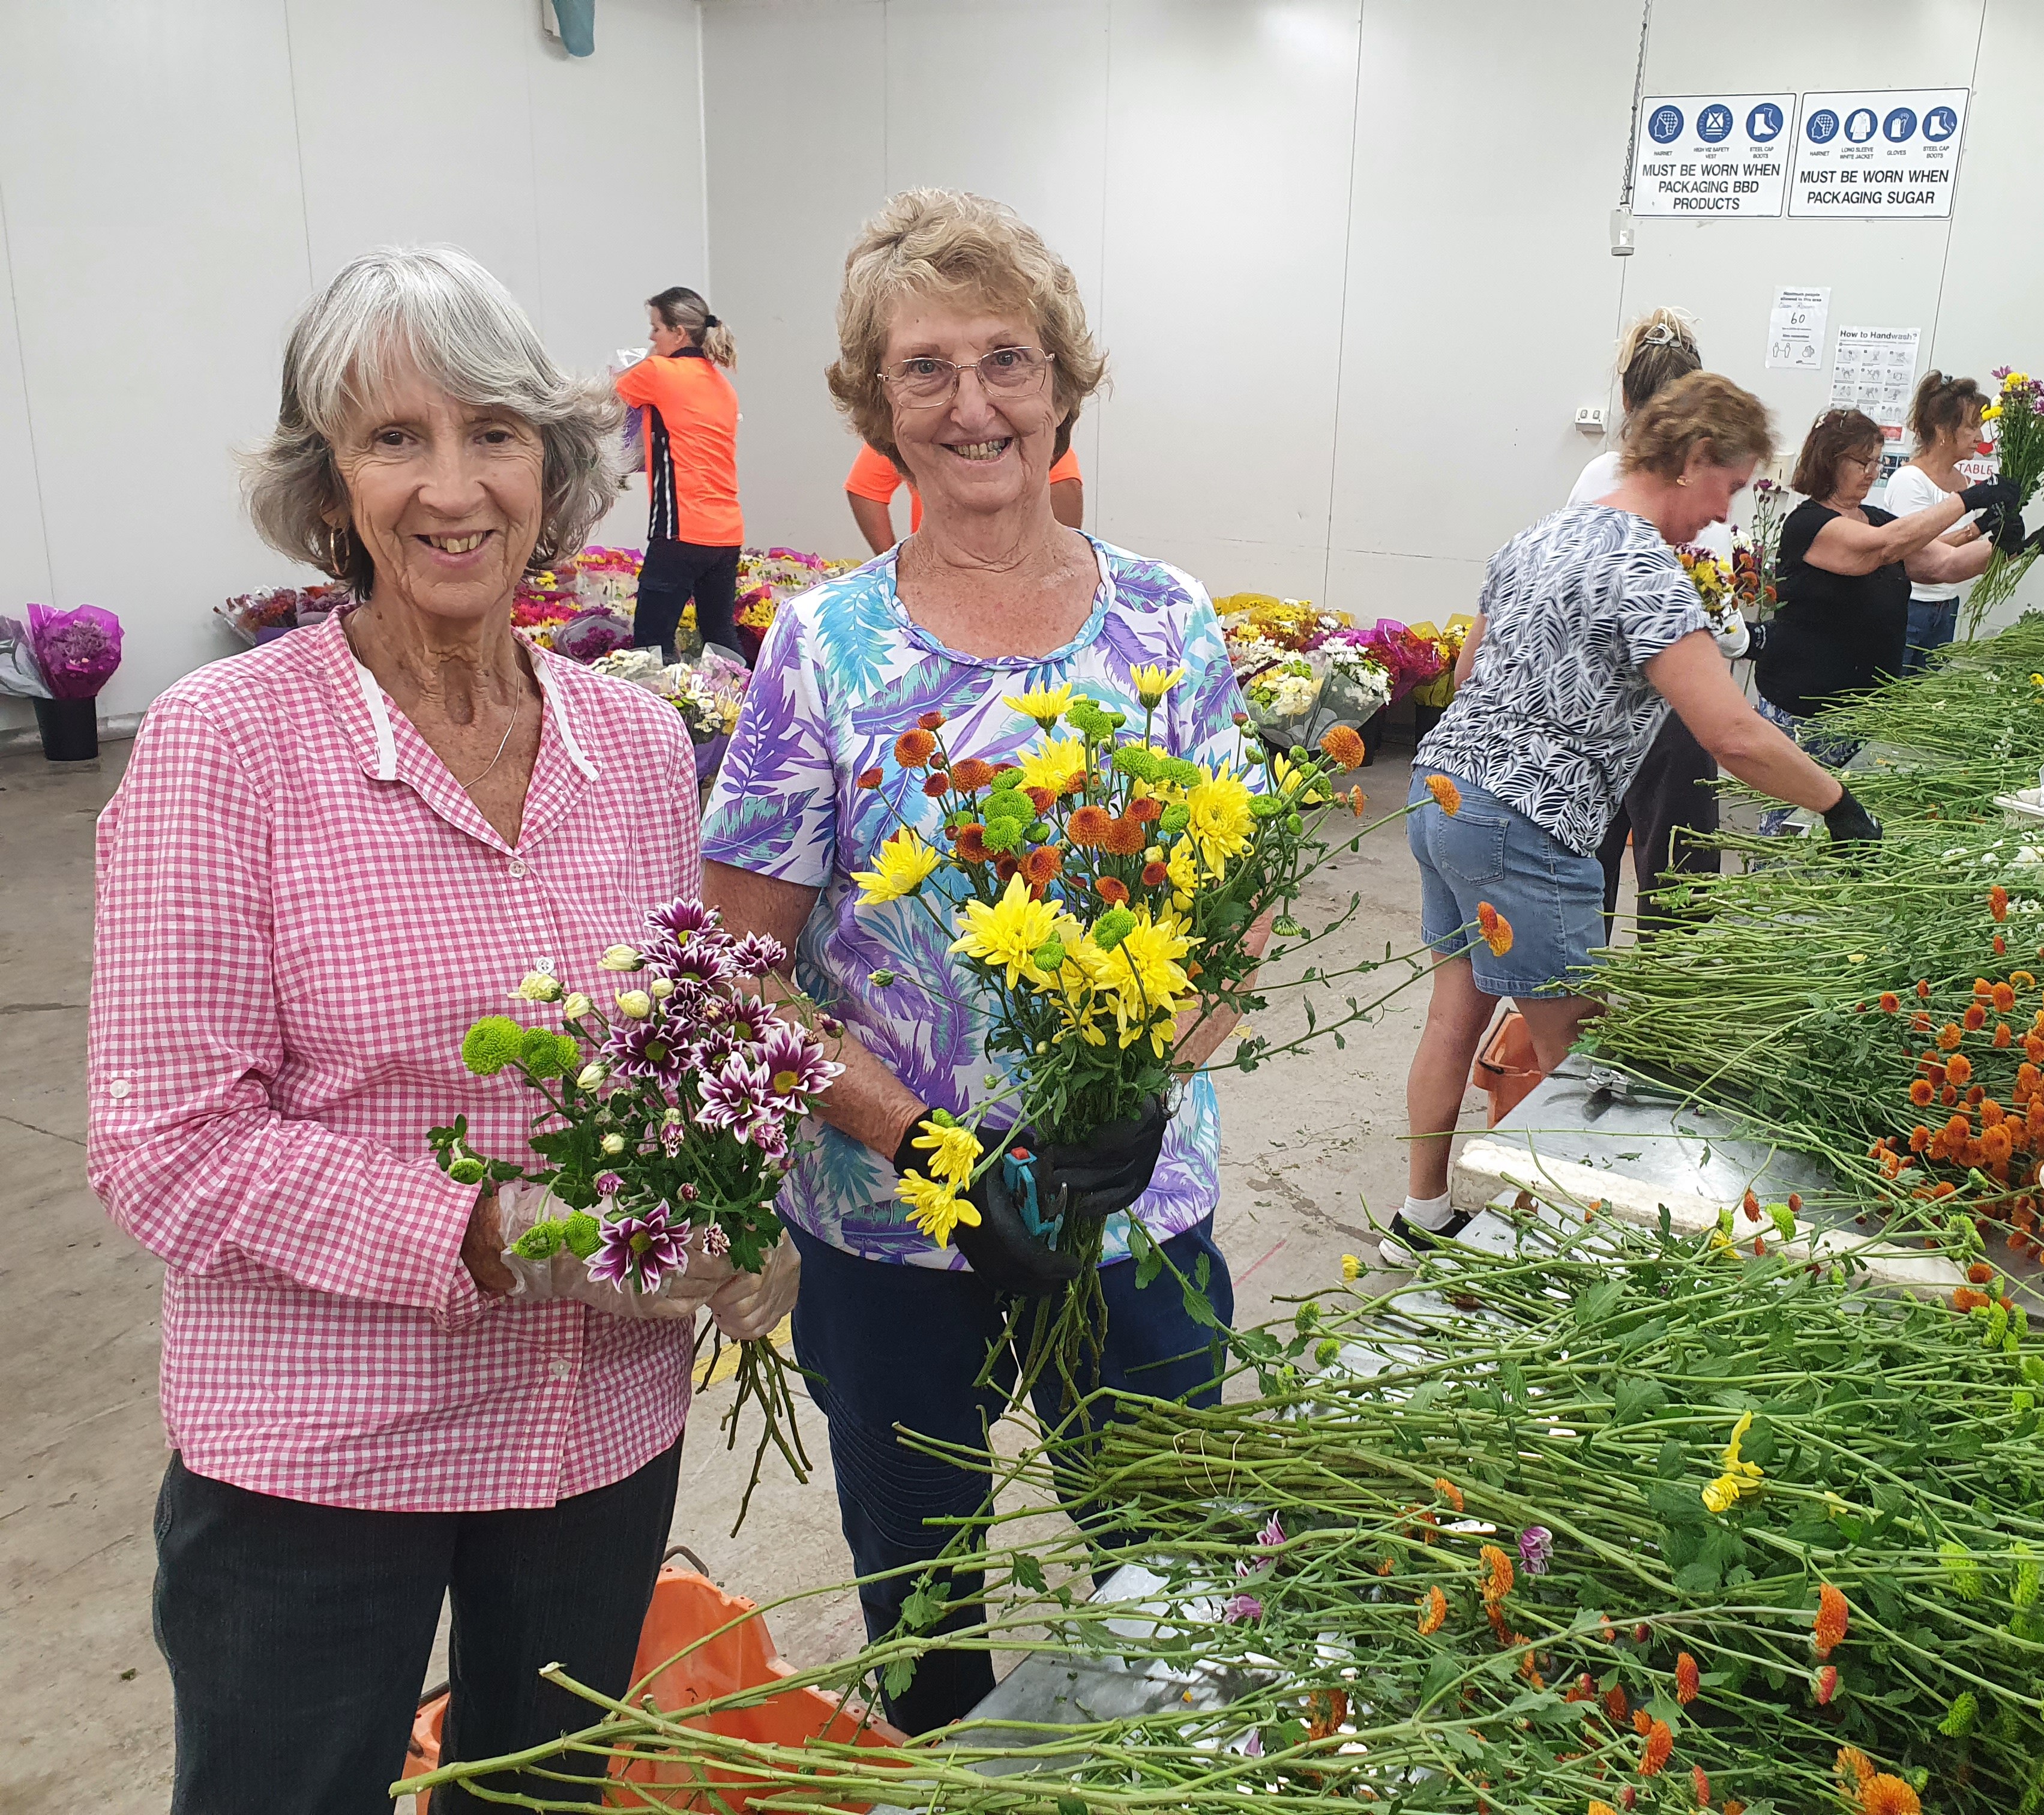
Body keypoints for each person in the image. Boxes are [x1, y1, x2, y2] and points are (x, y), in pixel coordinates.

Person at [87, 247, 790, 1814]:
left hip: (596, 1428)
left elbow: (689, 1048)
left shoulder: (632, 741)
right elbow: (164, 1148)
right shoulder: (228, 748)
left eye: (492, 433)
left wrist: (743, 1198)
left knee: (537, 1796)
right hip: (325, 1460)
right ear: (328, 488)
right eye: (394, 440)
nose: (452, 486)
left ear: (555, 465)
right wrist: (496, 1229)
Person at [699, 188, 1256, 1735]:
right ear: (876, 405)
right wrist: (925, 1143)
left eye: (1006, 360)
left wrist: (1149, 1084)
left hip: (1132, 1209)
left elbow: (1238, 911)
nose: (971, 405)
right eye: (924, 369)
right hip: (895, 1236)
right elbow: (743, 969)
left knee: (1174, 1584)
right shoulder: (824, 647)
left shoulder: (1168, 622)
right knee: (925, 1602)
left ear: (1063, 383)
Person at [1388, 374, 1884, 1263]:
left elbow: (1467, 679)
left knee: (1451, 1018)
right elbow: (1732, 732)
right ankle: (1587, 1256)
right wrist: (1837, 802)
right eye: (1728, 487)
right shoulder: (1643, 571)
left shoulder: (1535, 536)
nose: (1722, 513)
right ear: (1695, 460)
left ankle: (1420, 1219)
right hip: (1524, 826)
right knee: (1581, 1057)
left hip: (1443, 797)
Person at [1567, 307, 1746, 931]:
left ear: (1624, 396)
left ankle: (1577, 995)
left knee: (1587, 857)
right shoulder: (1701, 480)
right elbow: (1720, 618)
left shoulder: (1598, 476)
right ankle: (1663, 1006)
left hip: (1599, 701)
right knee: (1678, 867)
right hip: (1679, 704)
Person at [1754, 409, 2015, 820]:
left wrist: (2011, 545)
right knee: (1792, 821)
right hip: (1807, 712)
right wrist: (1968, 500)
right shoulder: (1808, 524)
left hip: (1865, 713)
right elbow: (1880, 549)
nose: (1872, 472)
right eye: (1863, 462)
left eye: (1877, 462)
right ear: (1829, 460)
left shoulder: (1874, 518)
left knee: (1848, 826)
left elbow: (1943, 565)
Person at [616, 286, 744, 661]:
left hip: (679, 529)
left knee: (651, 647)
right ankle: (748, 706)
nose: (651, 339)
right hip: (726, 533)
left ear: (679, 333)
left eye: (656, 329)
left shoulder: (658, 371)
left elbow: (607, 396)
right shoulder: (723, 385)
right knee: (720, 637)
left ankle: (657, 718)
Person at [1882, 371, 2014, 665]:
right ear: (1943, 430)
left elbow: (1958, 556)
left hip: (1946, 606)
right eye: (1971, 428)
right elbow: (1913, 550)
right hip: (1911, 606)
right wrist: (1974, 530)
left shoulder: (1963, 482)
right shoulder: (1910, 481)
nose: (1980, 438)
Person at [846, 436, 1083, 551]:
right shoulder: (915, 434)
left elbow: (1065, 486)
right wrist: (894, 564)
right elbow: (865, 487)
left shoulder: (1034, 438)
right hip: (934, 582)